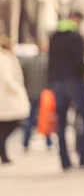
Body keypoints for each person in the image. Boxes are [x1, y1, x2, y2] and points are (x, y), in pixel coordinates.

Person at [48, 11, 84, 171]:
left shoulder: (53, 37)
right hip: (74, 81)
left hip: (57, 83)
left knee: (61, 123)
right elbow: (79, 63)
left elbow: (51, 62)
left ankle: (64, 160)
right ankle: (83, 157)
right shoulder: (76, 38)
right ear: (77, 20)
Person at [0, 37, 30, 165]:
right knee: (12, 124)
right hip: (7, 97)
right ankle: (3, 153)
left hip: (6, 98)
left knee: (4, 126)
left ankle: (4, 154)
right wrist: (18, 90)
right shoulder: (4, 58)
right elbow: (7, 78)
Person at [21, 42, 53, 151]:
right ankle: (48, 142)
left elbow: (23, 76)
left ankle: (25, 142)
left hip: (31, 93)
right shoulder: (48, 62)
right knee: (45, 118)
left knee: (30, 118)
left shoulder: (29, 61)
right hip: (45, 94)